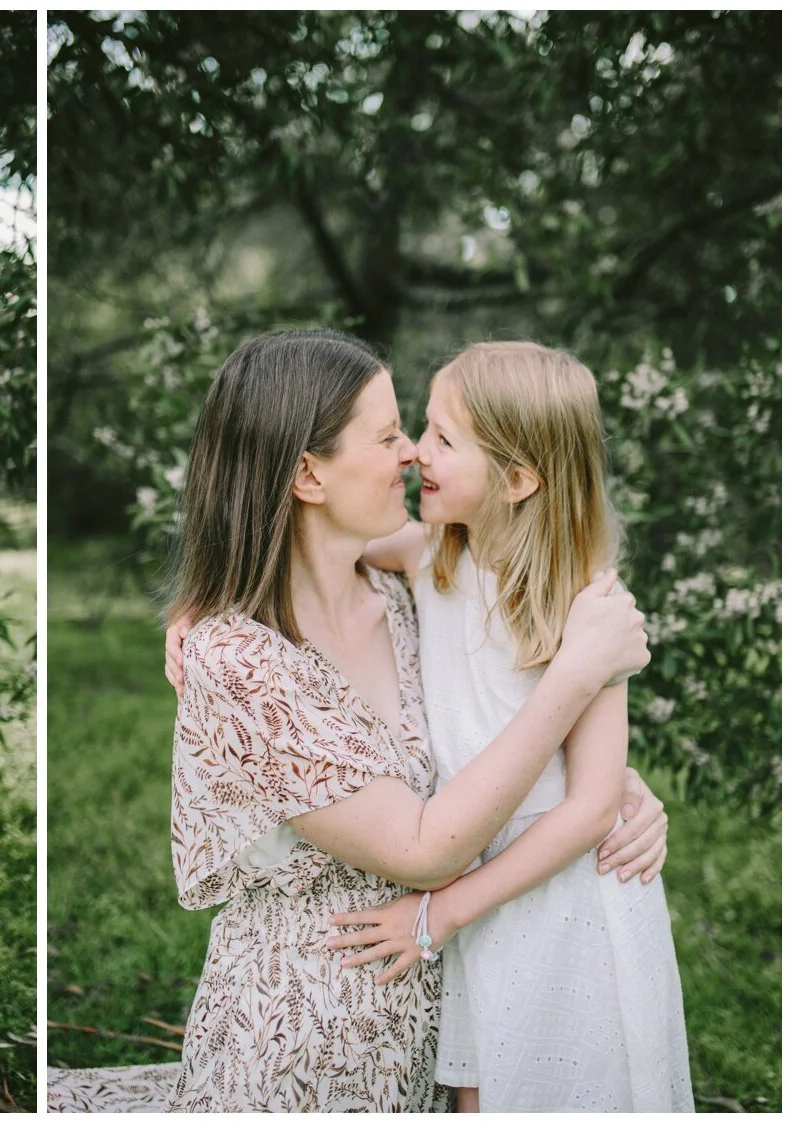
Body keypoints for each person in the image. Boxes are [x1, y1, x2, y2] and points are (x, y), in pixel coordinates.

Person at [47, 330, 668, 1113]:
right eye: (392, 435)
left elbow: (496, 730)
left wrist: (612, 786)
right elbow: (422, 846)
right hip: (302, 1036)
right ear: (308, 472)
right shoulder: (273, 643)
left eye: (430, 434)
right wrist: (575, 682)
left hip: (483, 976)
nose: (413, 453)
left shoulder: (414, 588)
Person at [325, 342, 692, 1111]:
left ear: (519, 480)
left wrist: (442, 912)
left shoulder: (580, 606)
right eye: (423, 427)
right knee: (480, 1084)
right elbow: (308, 548)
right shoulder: (432, 553)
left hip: (562, 898)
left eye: (443, 439)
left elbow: (592, 805)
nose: (416, 453)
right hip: (472, 864)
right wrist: (203, 606)